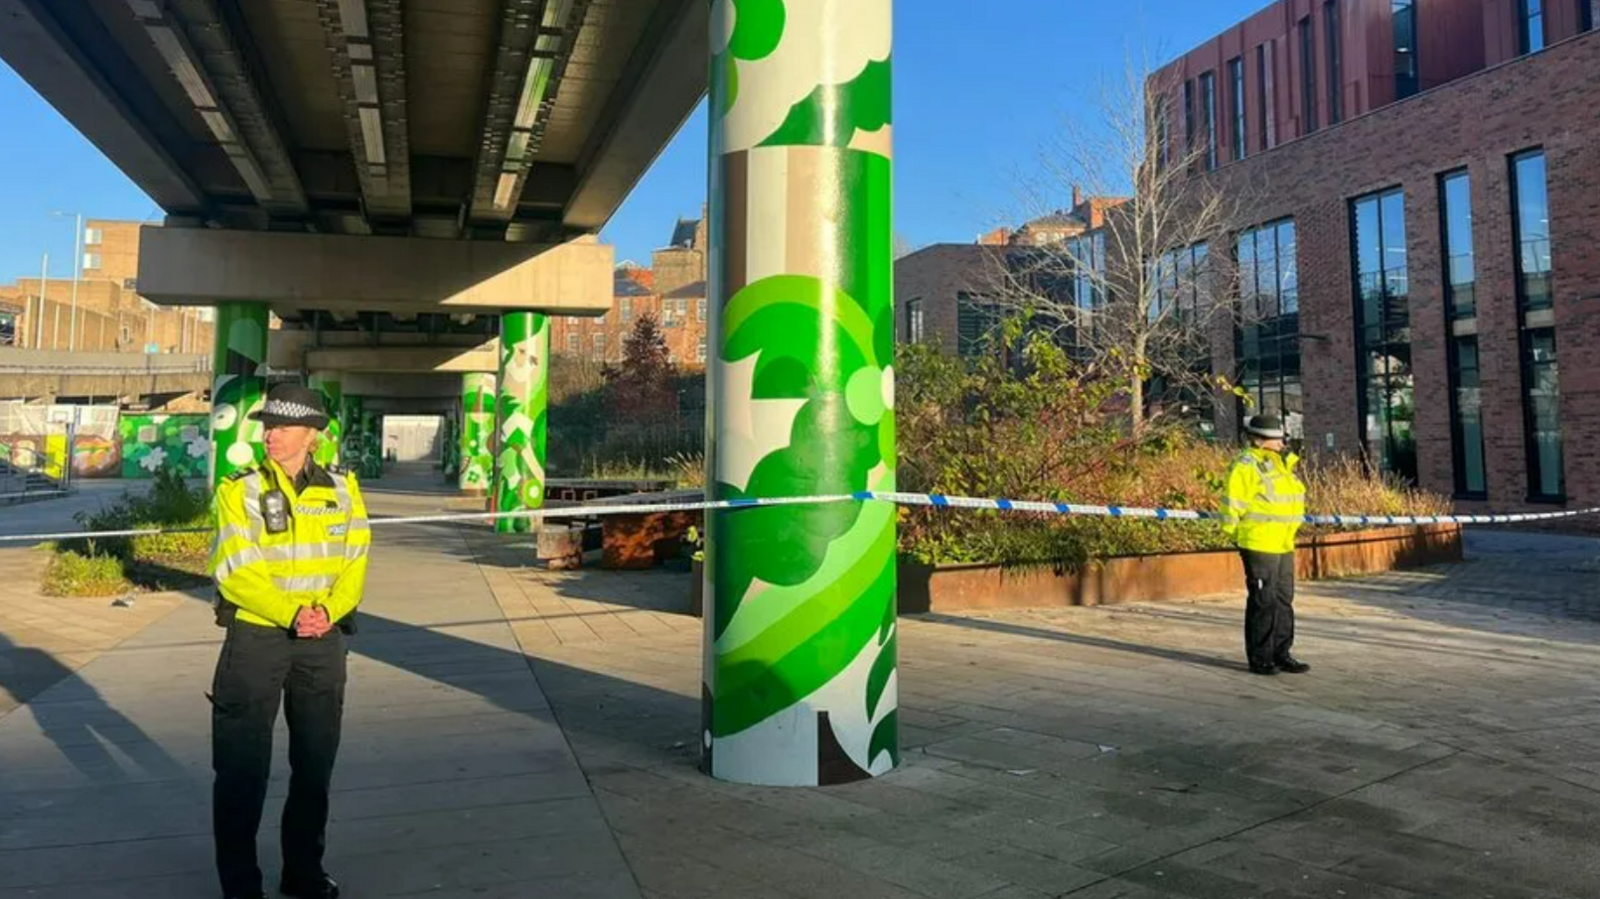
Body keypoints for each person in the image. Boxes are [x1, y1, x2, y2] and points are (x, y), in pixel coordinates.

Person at [208, 383, 370, 899]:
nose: (269, 434)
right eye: (266, 425)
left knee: (315, 763)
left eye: (281, 426)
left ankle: (303, 871)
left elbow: (355, 557)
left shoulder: (344, 488)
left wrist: (328, 611)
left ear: (312, 435)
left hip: (321, 641)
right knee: (240, 769)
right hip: (256, 639)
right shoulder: (240, 489)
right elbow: (234, 569)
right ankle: (240, 886)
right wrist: (293, 612)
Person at [1221, 413, 1310, 676]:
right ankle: (1260, 658)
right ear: (1259, 440)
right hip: (1258, 542)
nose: (1282, 443)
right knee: (1264, 600)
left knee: (1284, 599)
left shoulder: (1281, 464)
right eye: (1276, 439)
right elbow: (1232, 502)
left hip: (1283, 542)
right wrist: (1235, 534)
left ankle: (1282, 653)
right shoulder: (1246, 465)